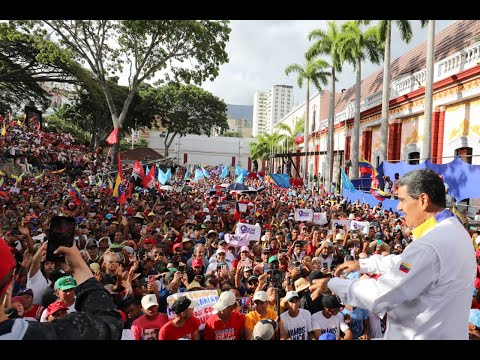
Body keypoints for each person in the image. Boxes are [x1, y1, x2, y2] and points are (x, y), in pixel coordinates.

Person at [309, 169, 477, 340]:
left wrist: (334, 285)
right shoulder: (456, 231)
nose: (399, 207)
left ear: (423, 200)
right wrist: (365, 264)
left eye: (402, 200)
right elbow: (407, 263)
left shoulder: (429, 246)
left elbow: (380, 295)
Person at [0, 239, 123, 340]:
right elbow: (110, 325)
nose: (69, 292)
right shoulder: (33, 335)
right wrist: (79, 267)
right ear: (10, 285)